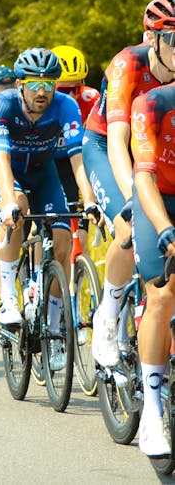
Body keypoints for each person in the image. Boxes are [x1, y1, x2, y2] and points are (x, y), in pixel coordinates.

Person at [0, 48, 101, 372]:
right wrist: (8, 202)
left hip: (44, 174)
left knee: (63, 244)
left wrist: (90, 199)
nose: (42, 92)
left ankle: (53, 326)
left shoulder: (66, 106)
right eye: (35, 84)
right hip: (9, 173)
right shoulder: (3, 104)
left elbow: (78, 159)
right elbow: (0, 159)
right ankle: (8, 295)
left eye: (49, 84)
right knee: (17, 208)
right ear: (20, 84)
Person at [88, 0, 175, 369]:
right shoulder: (128, 63)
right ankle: (108, 312)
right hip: (106, 142)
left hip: (152, 150)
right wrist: (131, 197)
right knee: (129, 224)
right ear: (151, 38)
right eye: (172, 38)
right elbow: (118, 142)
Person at [129, 82, 175, 456]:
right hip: (155, 198)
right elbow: (143, 175)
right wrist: (163, 228)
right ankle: (153, 409)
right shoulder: (153, 103)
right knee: (162, 294)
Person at [51, 45, 101, 250]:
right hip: (46, 163)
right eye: (64, 89)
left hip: (75, 164)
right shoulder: (40, 101)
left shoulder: (91, 98)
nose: (71, 95)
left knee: (80, 236)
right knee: (46, 231)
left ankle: (76, 279)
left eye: (76, 88)